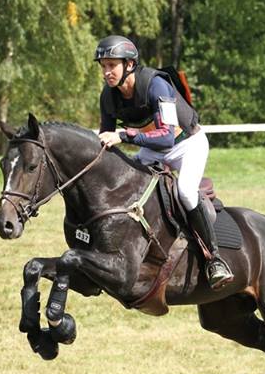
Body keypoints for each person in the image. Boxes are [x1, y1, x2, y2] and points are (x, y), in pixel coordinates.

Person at [94, 34, 233, 290]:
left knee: (186, 193)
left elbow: (166, 136)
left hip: (185, 145)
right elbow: (106, 139)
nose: (106, 72)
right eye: (103, 66)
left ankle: (214, 259)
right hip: (152, 150)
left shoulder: (155, 85)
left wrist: (124, 135)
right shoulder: (108, 97)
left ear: (130, 65)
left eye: (111, 65)